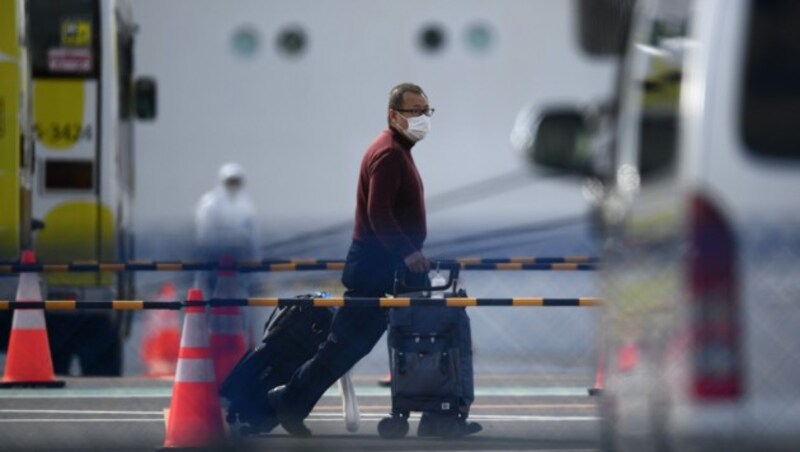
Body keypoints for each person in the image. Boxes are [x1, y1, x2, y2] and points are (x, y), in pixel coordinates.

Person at [268, 83, 437, 436]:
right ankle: (289, 399)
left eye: (427, 110)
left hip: (385, 264)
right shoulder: (390, 154)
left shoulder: (397, 149)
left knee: (364, 343)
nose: (423, 117)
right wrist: (408, 251)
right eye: (415, 111)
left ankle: (433, 409)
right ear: (394, 115)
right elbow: (379, 214)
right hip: (377, 266)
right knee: (345, 345)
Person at [194, 162, 260, 296]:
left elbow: (250, 232)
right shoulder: (210, 202)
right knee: (210, 287)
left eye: (236, 181)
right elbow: (205, 232)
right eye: (230, 181)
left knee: (242, 287)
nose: (233, 185)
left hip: (239, 253)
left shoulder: (245, 203)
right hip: (214, 253)